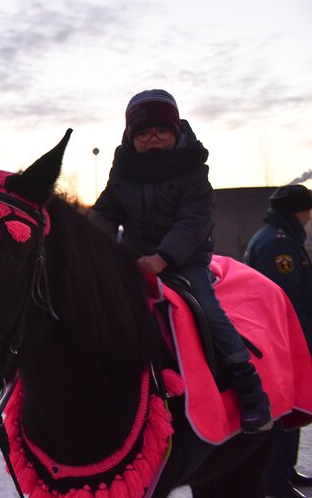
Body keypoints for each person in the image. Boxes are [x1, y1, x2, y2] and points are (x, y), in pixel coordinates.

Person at [90, 89, 272, 433]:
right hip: (134, 256)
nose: (154, 138)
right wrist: (89, 247)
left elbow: (195, 220)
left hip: (184, 258)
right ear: (131, 136)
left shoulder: (192, 169)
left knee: (207, 307)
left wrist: (163, 257)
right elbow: (105, 212)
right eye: (144, 132)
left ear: (175, 132)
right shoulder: (122, 171)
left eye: (162, 130)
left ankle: (247, 383)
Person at [245, 184, 312, 498]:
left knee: (295, 404)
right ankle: (274, 478)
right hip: (283, 341)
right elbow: (286, 300)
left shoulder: (280, 238)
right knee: (285, 408)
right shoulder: (277, 244)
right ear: (298, 211)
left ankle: (285, 469)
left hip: (288, 339)